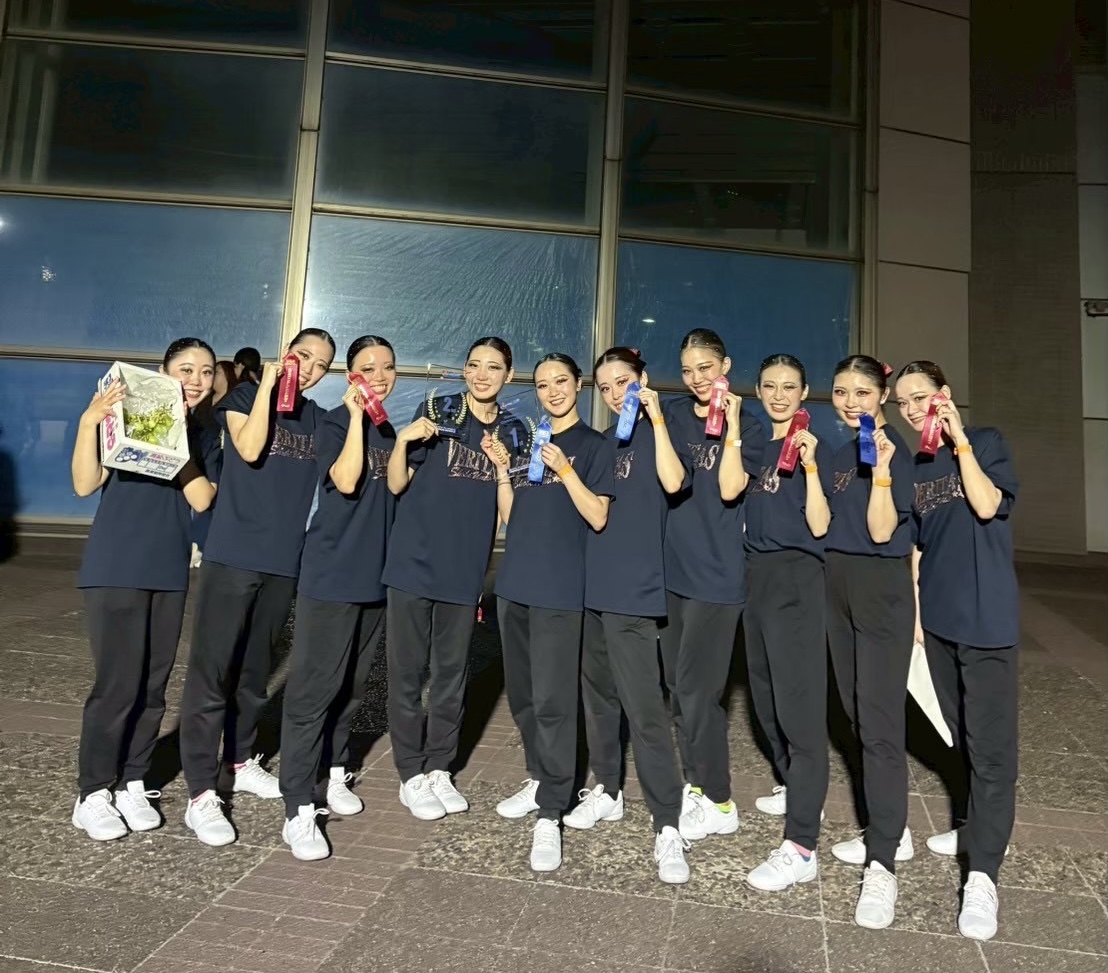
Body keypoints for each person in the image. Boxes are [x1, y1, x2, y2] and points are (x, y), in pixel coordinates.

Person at [179, 328, 336, 846]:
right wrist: (269, 385)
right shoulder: (245, 396)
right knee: (212, 673)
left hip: (283, 563)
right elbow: (247, 450)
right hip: (232, 555)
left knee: (254, 674)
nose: (309, 368)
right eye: (303, 356)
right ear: (286, 355)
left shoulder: (317, 418)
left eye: (321, 364)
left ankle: (240, 760)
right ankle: (202, 792)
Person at [70, 338, 219, 840]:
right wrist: (90, 422)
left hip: (168, 571)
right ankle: (93, 792)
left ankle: (133, 780)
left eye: (205, 371)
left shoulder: (204, 434)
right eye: (185, 369)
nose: (195, 380)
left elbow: (203, 498)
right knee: (117, 686)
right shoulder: (124, 417)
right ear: (163, 371)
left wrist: (173, 443)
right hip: (116, 566)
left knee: (153, 688)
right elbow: (84, 485)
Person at [895, 360, 1019, 941]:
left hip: (987, 622)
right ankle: (976, 825)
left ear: (943, 395)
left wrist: (960, 440)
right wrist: (919, 619)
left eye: (921, 397)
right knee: (961, 733)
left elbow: (988, 504)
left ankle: (984, 876)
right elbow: (918, 547)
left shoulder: (985, 442)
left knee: (992, 751)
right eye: (903, 402)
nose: (912, 409)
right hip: (940, 623)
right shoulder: (918, 465)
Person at [383, 336, 528, 820]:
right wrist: (403, 441)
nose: (482, 375)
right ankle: (410, 773)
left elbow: (512, 516)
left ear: (508, 375)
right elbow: (397, 483)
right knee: (406, 673)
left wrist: (503, 469)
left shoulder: (514, 431)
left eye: (493, 367)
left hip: (464, 572)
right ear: (464, 371)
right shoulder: (438, 411)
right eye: (474, 365)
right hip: (413, 564)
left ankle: (439, 767)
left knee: (451, 675)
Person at [566, 346, 692, 885]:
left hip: (635, 592)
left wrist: (656, 418)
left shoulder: (664, 430)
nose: (616, 394)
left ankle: (668, 824)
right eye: (606, 387)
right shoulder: (602, 443)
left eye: (624, 382)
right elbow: (593, 511)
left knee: (645, 714)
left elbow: (674, 482)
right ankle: (609, 789)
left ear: (642, 380)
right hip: (592, 587)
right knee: (599, 700)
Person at [489, 353, 613, 872]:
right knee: (523, 698)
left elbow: (598, 515)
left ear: (578, 384)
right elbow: (513, 517)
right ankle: (540, 777)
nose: (552, 391)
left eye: (561, 381)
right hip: (514, 586)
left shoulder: (595, 445)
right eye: (542, 384)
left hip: (560, 592)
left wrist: (565, 470)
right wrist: (503, 472)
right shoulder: (528, 443)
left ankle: (551, 811)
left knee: (555, 702)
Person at [278, 335, 399, 861]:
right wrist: (354, 416)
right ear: (351, 375)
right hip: (331, 576)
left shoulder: (389, 431)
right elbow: (347, 481)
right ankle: (298, 806)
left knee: (352, 688)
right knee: (313, 691)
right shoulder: (332, 422)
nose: (380, 376)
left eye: (388, 367)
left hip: (374, 579)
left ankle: (333, 770)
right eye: (368, 368)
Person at [657, 328, 765, 843]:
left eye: (706, 367)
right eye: (688, 370)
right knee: (678, 690)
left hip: (718, 578)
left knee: (700, 693)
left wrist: (734, 425)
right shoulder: (674, 415)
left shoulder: (753, 424)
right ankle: (696, 784)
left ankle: (720, 799)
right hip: (672, 574)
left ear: (725, 365)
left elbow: (728, 489)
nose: (697, 378)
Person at [822, 354, 916, 929]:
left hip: (880, 590)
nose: (850, 401)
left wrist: (881, 469)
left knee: (880, 728)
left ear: (881, 395)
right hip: (838, 587)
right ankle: (891, 828)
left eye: (861, 392)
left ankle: (883, 866)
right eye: (841, 391)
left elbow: (883, 531)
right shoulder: (838, 455)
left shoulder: (896, 451)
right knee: (856, 713)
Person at [741, 353, 833, 891]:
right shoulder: (753, 446)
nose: (779, 395)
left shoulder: (813, 447)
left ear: (803, 393)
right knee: (765, 701)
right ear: (758, 390)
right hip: (754, 580)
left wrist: (813, 467)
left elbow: (820, 525)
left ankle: (801, 846)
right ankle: (798, 787)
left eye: (789, 387)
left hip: (798, 581)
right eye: (770, 386)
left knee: (800, 714)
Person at [190, 360, 238, 568]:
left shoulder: (233, 401)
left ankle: (205, 546)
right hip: (201, 455)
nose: (212, 377)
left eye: (216, 372)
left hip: (222, 457)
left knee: (213, 500)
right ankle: (195, 544)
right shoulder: (203, 401)